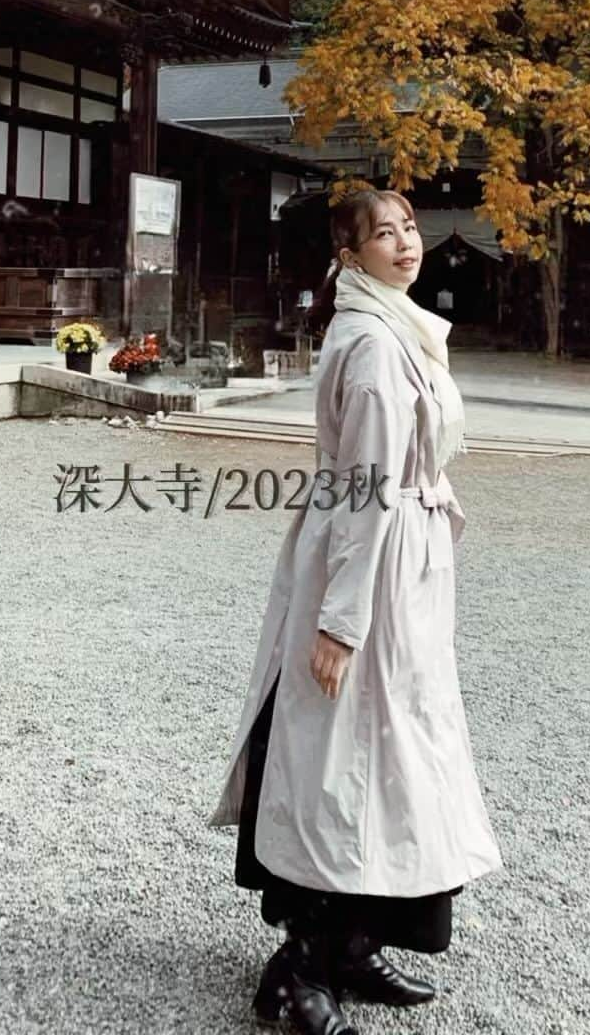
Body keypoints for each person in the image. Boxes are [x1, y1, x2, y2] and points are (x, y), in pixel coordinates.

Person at [209, 188, 502, 1035]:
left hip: (399, 567)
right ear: (350, 252)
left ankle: (355, 943)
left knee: (392, 756)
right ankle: (301, 966)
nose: (406, 243)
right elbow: (366, 490)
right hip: (365, 567)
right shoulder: (374, 346)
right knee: (339, 760)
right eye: (385, 233)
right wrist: (340, 623)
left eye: (409, 228)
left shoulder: (396, 328)